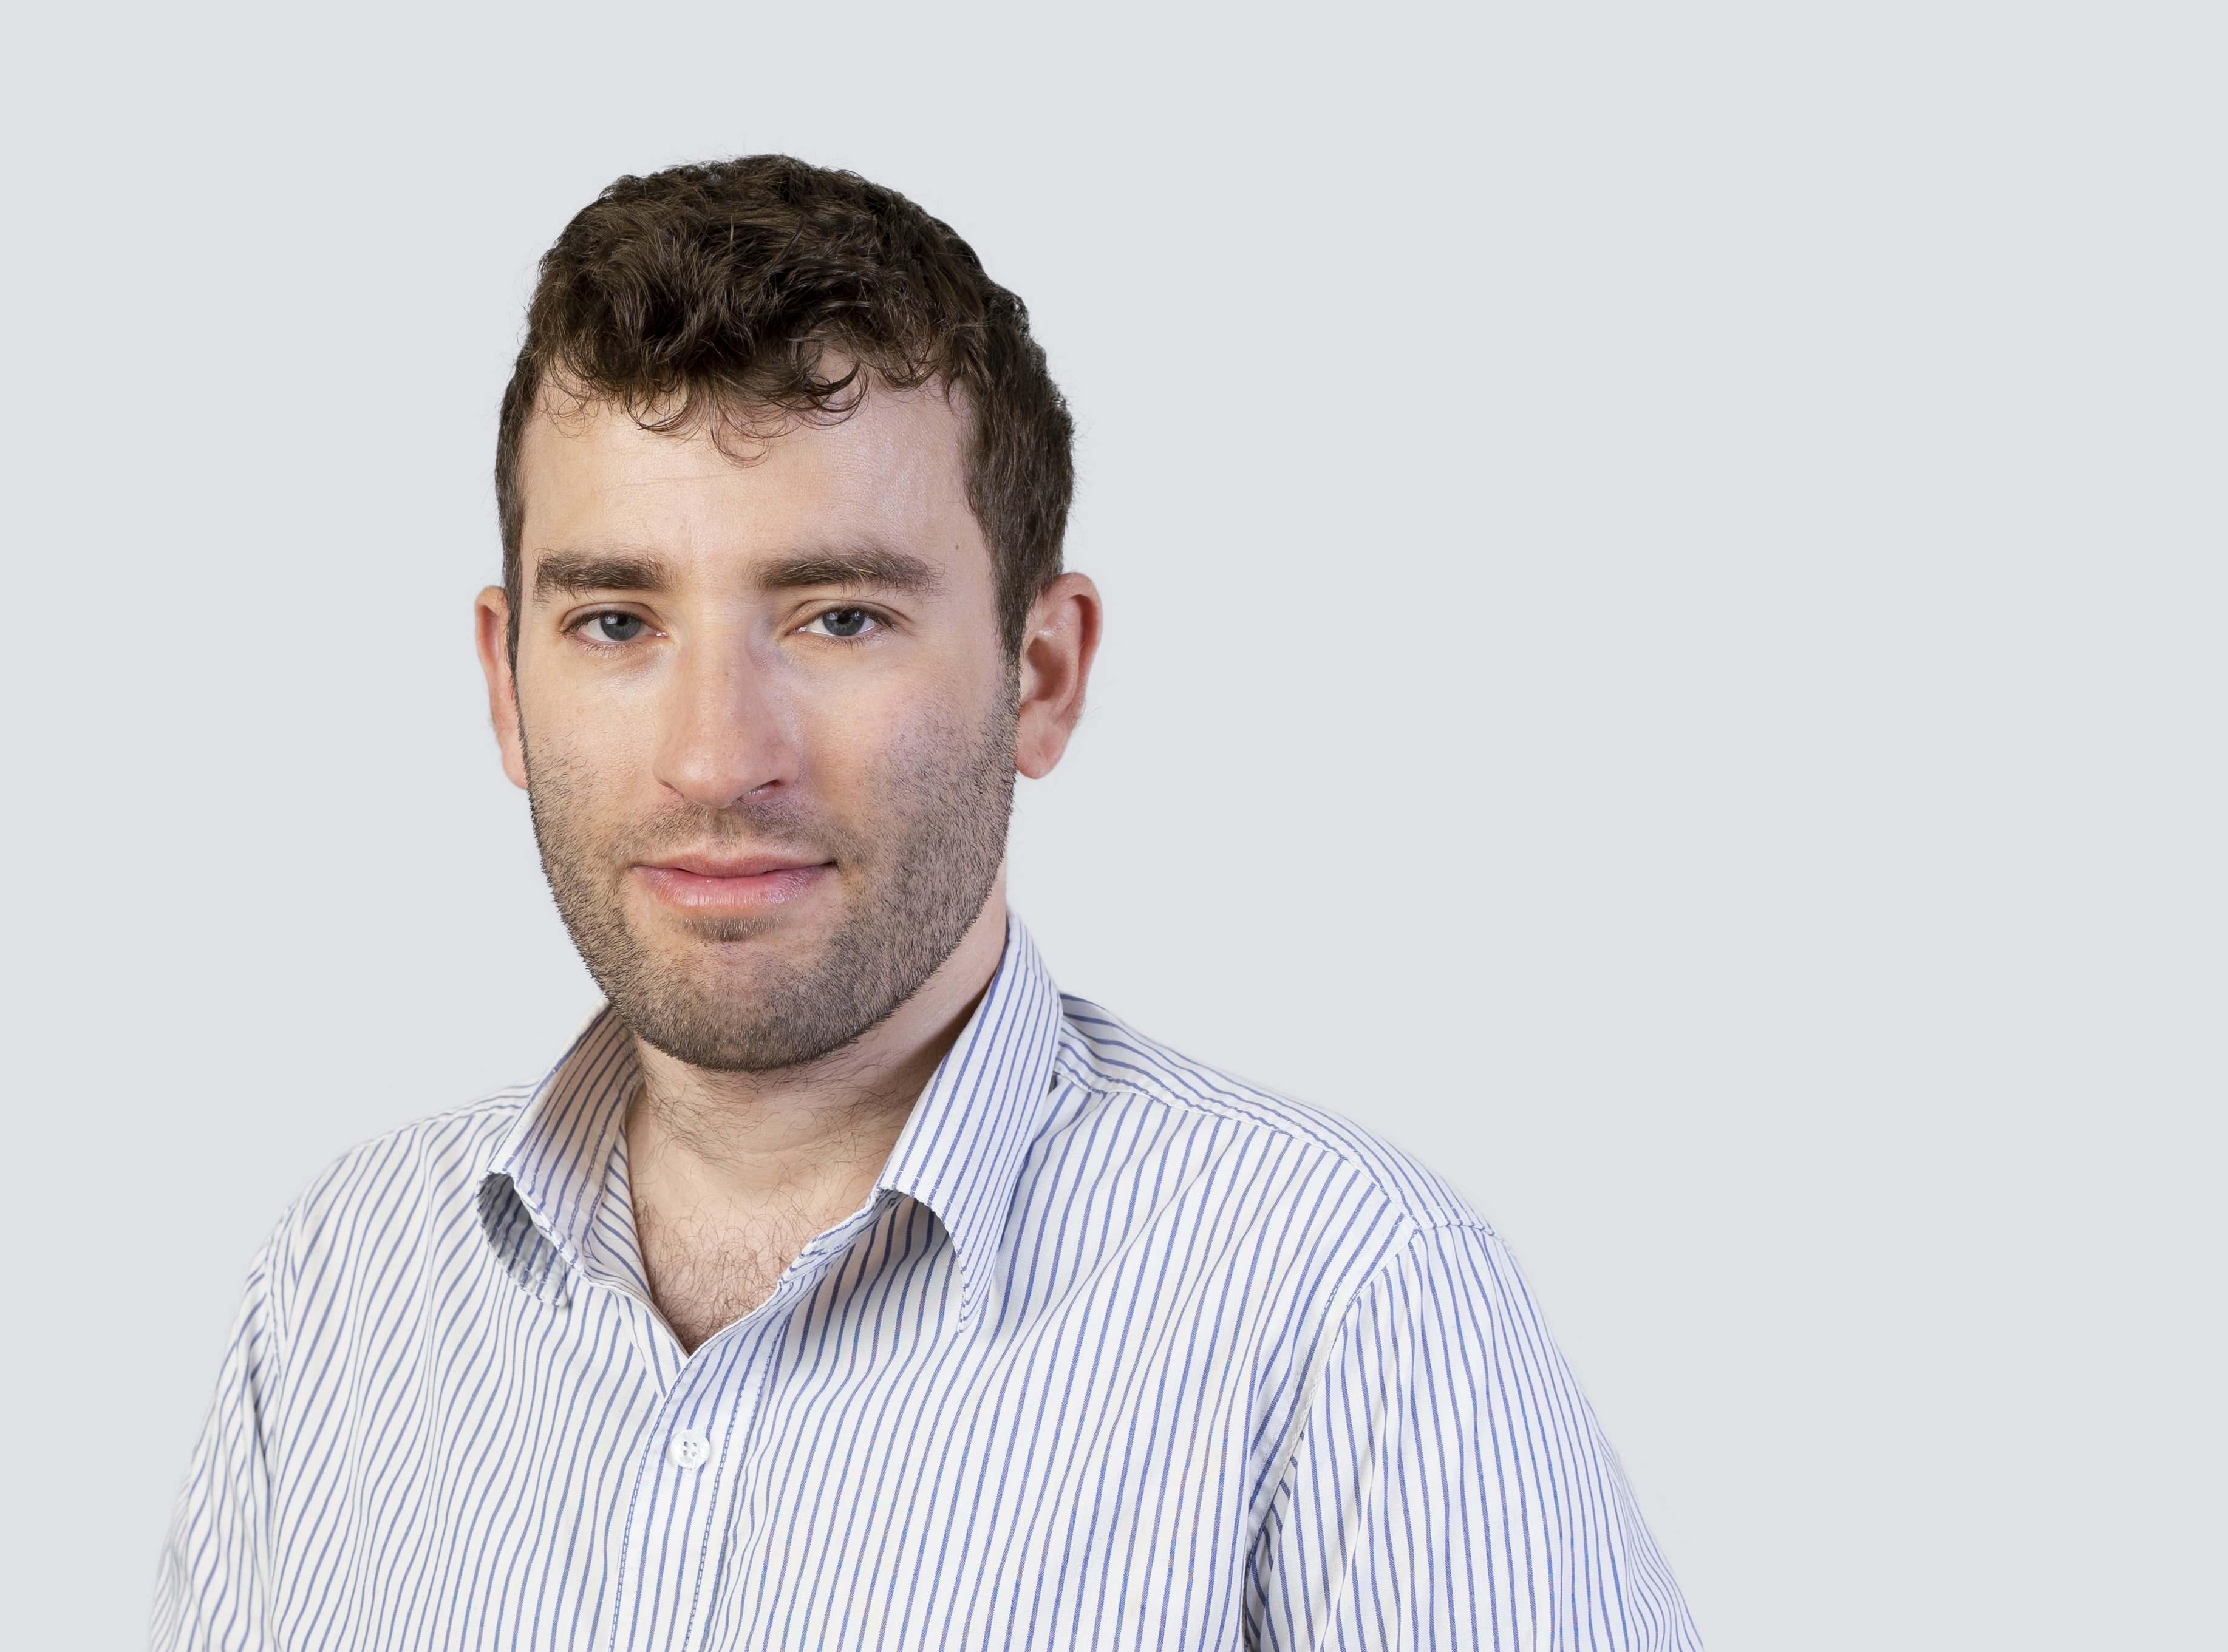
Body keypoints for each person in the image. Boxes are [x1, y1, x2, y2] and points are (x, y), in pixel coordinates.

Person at [154, 155, 1699, 1651]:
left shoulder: (1340, 1303)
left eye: (838, 617)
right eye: (615, 620)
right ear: (506, 683)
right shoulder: (340, 1288)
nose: (716, 756)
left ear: (1043, 672)